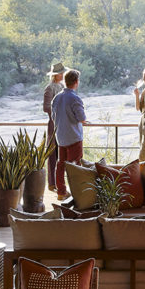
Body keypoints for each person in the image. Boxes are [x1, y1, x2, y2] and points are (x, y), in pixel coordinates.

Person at [50, 69, 86, 198]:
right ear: (76, 82)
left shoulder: (57, 97)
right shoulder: (75, 98)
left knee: (61, 164)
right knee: (75, 166)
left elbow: (53, 117)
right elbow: (81, 118)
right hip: (74, 137)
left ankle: (61, 192)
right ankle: (77, 194)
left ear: (65, 81)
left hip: (61, 136)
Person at [42, 63, 66, 186]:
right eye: (61, 73)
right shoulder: (49, 88)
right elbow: (46, 107)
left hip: (62, 124)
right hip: (53, 124)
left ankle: (60, 182)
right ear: (56, 75)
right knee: (52, 154)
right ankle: (52, 183)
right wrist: (58, 112)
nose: (62, 75)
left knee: (61, 153)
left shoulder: (62, 86)